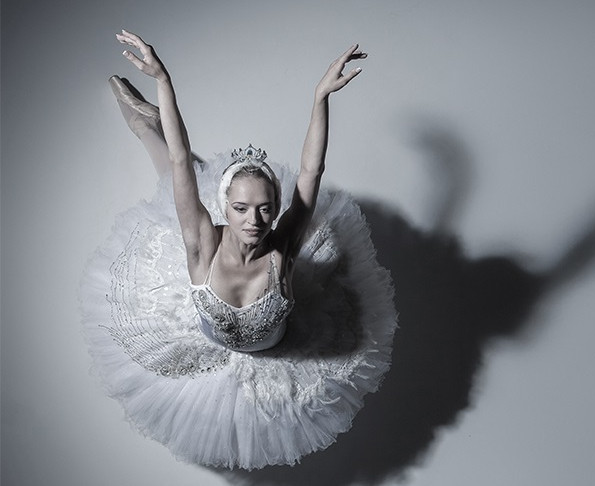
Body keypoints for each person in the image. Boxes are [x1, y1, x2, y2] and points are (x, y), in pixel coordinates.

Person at [80, 30, 397, 470]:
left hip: (278, 348)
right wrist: (163, 81)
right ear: (224, 207)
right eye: (242, 209)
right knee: (173, 173)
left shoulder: (283, 249)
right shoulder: (202, 245)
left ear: (277, 209)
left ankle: (160, 128)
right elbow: (180, 162)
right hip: (208, 316)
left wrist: (320, 97)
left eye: (266, 209)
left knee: (182, 177)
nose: (254, 221)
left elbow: (311, 171)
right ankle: (144, 124)